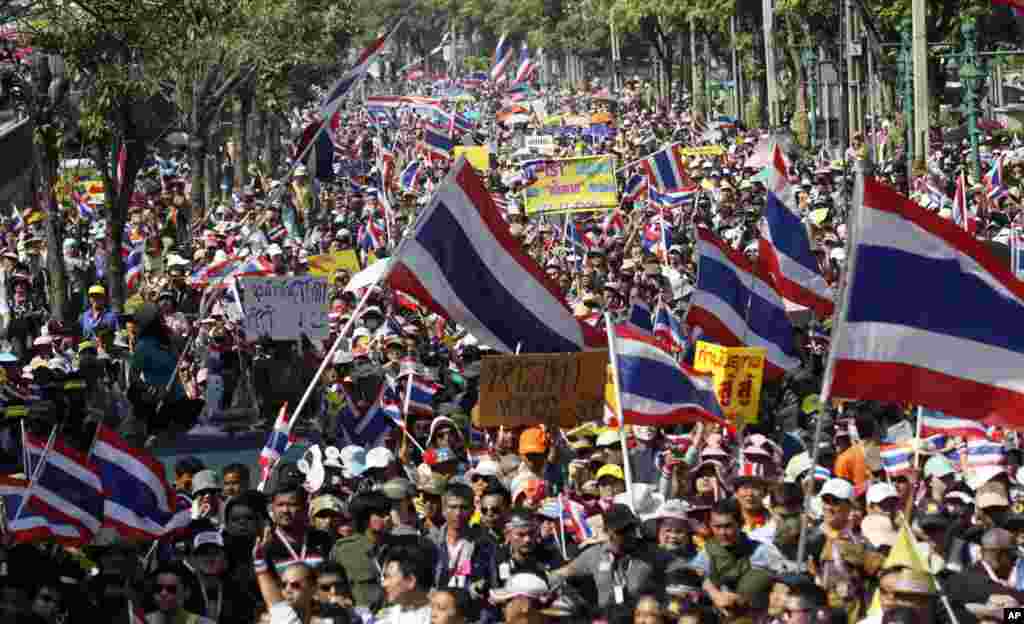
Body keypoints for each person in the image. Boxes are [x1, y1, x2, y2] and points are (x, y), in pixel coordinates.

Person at [551, 503, 668, 610]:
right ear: (607, 531)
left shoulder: (650, 553)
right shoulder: (595, 554)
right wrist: (544, 581)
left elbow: (677, 566)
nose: (629, 534)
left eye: (631, 528)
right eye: (621, 531)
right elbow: (565, 571)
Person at [331, 490, 394, 608]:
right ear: (365, 518)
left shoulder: (399, 547)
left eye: (388, 512)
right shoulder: (344, 550)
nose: (388, 518)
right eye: (381, 514)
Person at [377, 544, 433, 624]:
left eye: (389, 577)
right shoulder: (387, 617)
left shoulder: (437, 618)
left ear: (410, 581)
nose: (384, 584)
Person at [146, 563, 215, 624]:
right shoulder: (142, 621)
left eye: (171, 589)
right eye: (158, 588)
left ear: (187, 593)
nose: (163, 593)